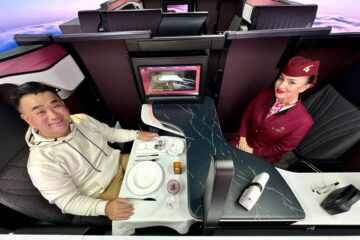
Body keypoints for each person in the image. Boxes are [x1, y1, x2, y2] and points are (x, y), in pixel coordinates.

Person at [9, 82, 159, 220]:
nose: (53, 115)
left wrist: (137, 134)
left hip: (121, 162)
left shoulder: (81, 119)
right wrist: (105, 208)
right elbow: (68, 202)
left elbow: (110, 133)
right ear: (27, 118)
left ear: (63, 104)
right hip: (105, 192)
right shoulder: (41, 164)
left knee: (167, 170)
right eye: (40, 112)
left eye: (55, 105)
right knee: (156, 208)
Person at [230, 56, 320, 164]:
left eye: (292, 82)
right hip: (241, 141)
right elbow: (247, 115)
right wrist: (242, 138)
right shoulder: (264, 94)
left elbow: (282, 147)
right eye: (281, 78)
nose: (281, 86)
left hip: (263, 157)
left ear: (304, 87)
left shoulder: (304, 121)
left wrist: (253, 151)